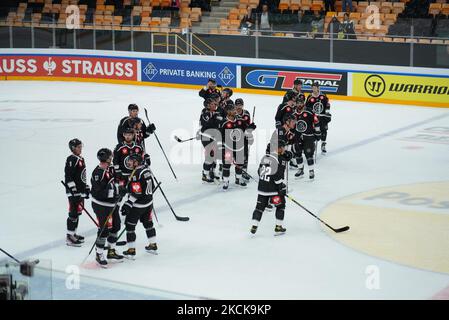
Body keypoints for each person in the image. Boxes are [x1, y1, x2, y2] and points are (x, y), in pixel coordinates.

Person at [90, 148, 125, 268]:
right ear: (107, 158)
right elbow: (100, 193)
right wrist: (117, 191)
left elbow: (117, 180)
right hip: (101, 205)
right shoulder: (98, 173)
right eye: (111, 156)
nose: (112, 158)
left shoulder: (110, 168)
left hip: (111, 204)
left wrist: (121, 187)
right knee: (104, 230)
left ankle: (111, 251)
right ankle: (99, 254)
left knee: (116, 226)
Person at [121, 153, 158, 259]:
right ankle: (153, 244)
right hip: (148, 203)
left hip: (138, 206)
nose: (128, 162)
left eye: (131, 161)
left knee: (130, 226)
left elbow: (136, 192)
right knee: (148, 223)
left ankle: (131, 250)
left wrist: (128, 204)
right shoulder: (146, 170)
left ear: (136, 162)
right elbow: (153, 186)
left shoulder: (136, 173)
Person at [250, 139, 291, 235]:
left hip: (262, 189)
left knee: (259, 208)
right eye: (282, 148)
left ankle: (254, 225)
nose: (284, 149)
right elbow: (278, 176)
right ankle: (278, 227)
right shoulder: (280, 160)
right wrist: (282, 187)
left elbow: (259, 172)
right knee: (280, 206)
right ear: (277, 149)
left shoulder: (265, 157)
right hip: (274, 191)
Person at [64, 138, 89, 247]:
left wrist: (86, 187)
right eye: (78, 147)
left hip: (79, 191)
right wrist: (73, 189)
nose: (80, 148)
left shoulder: (80, 158)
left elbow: (81, 176)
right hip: (73, 192)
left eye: (80, 146)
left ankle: (74, 233)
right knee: (73, 214)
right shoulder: (71, 159)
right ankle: (69, 237)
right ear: (73, 148)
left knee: (78, 212)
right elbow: (68, 175)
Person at [197, 98, 222, 183]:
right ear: (208, 105)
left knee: (215, 155)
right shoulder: (205, 113)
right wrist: (215, 117)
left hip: (214, 137)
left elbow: (221, 122)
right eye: (213, 104)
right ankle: (205, 174)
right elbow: (209, 124)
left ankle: (212, 171)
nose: (215, 105)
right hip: (206, 137)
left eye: (215, 104)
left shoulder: (216, 113)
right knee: (210, 155)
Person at [292, 103, 320, 180]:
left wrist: (318, 133)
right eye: (298, 103)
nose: (299, 105)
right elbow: (291, 124)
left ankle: (311, 171)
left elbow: (316, 122)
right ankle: (300, 169)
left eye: (300, 103)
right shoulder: (293, 113)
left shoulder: (309, 112)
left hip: (309, 136)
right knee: (297, 153)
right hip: (298, 137)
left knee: (309, 154)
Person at [305, 82, 331, 154]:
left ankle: (323, 144)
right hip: (314, 117)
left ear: (318, 88)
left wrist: (327, 113)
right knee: (314, 130)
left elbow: (327, 105)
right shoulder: (310, 96)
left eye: (315, 88)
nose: (314, 89)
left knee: (323, 130)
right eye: (312, 88)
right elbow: (307, 107)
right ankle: (312, 145)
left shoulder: (323, 95)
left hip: (322, 116)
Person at [235, 98, 256, 183]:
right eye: (237, 105)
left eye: (240, 105)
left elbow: (248, 125)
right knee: (237, 157)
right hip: (234, 138)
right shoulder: (232, 113)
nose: (238, 107)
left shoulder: (246, 113)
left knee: (245, 155)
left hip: (244, 137)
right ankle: (236, 175)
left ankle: (243, 171)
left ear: (242, 105)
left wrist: (250, 127)